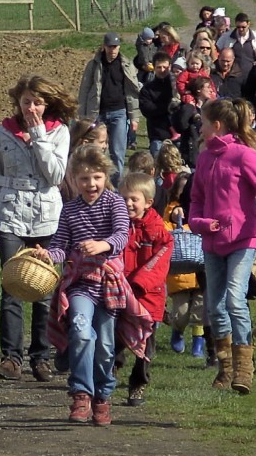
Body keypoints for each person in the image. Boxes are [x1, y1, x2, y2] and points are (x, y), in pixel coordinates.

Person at [37, 145, 154, 426]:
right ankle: (81, 394)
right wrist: (48, 255)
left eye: (97, 177)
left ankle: (102, 395)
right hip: (80, 284)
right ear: (74, 180)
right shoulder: (69, 210)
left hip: (109, 285)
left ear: (106, 176)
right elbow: (61, 246)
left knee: (105, 346)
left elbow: (121, 235)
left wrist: (102, 244)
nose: (91, 184)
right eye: (84, 179)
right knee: (80, 330)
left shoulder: (115, 203)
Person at [0, 75, 76, 383]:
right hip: (10, 214)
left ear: (48, 105)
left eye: (38, 103)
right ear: (17, 102)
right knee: (12, 285)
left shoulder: (60, 132)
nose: (31, 108)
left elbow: (55, 175)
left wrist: (38, 134)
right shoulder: (4, 131)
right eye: (26, 101)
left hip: (47, 217)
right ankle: (11, 359)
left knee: (44, 288)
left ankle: (41, 358)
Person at [189, 98, 256, 394]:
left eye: (203, 123)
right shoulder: (205, 158)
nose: (200, 128)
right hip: (212, 242)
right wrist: (199, 223)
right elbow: (196, 199)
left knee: (234, 299)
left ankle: (244, 368)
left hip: (243, 240)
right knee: (215, 307)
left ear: (216, 126)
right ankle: (225, 368)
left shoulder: (245, 156)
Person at [115, 173, 173, 406]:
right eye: (124, 199)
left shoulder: (158, 231)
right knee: (115, 336)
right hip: (120, 291)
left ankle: (138, 383)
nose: (128, 204)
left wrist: (140, 282)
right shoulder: (117, 225)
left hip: (147, 295)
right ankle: (111, 370)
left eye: (134, 199)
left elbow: (160, 261)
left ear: (148, 202)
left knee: (146, 344)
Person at [78, 32, 141, 185]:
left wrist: (134, 117)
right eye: (110, 46)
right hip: (98, 113)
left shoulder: (126, 65)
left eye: (115, 46)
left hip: (119, 112)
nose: (113, 50)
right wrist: (83, 116)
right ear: (104, 47)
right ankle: (100, 183)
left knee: (118, 152)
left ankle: (116, 187)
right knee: (97, 152)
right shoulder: (94, 65)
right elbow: (84, 90)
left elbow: (132, 92)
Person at [163, 172, 207, 358]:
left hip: (199, 269)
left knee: (200, 310)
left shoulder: (204, 208)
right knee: (180, 313)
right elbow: (166, 226)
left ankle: (198, 343)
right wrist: (176, 217)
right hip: (180, 273)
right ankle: (177, 330)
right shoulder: (173, 210)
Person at [61, 118, 109, 203]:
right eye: (102, 142)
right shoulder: (73, 165)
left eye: (106, 142)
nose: (105, 146)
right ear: (86, 143)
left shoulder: (97, 161)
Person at [139, 51, 176, 158]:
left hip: (177, 134)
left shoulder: (175, 86)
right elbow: (147, 109)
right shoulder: (147, 89)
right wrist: (167, 107)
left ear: (170, 67)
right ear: (154, 68)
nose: (162, 70)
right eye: (159, 67)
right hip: (157, 135)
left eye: (165, 67)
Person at [172, 76, 215, 169]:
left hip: (208, 153)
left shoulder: (212, 108)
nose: (211, 90)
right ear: (199, 89)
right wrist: (189, 108)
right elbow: (181, 126)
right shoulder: (187, 107)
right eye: (208, 87)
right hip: (191, 154)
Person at [215, 13, 256, 77]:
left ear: (248, 24)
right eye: (238, 27)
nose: (241, 29)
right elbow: (217, 50)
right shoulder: (226, 37)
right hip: (233, 77)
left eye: (243, 27)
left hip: (252, 76)